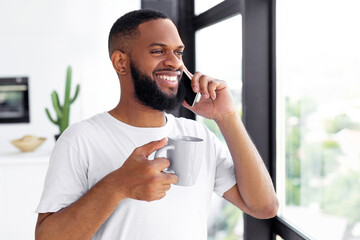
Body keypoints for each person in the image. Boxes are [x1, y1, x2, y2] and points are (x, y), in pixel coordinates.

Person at [35, 9, 278, 240]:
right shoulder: (80, 139)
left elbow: (264, 207)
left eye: (179, 52)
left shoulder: (197, 135)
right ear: (121, 62)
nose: (175, 63)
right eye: (158, 51)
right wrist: (117, 185)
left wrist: (227, 116)